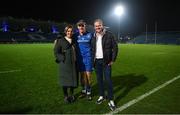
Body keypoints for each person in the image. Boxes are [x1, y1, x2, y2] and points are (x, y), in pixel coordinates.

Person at [91, 19, 118, 111]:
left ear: (102, 26)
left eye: (99, 25)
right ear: (94, 27)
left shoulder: (109, 35)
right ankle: (102, 95)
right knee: (99, 80)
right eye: (96, 26)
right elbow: (92, 49)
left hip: (106, 62)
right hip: (97, 62)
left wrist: (113, 60)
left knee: (108, 81)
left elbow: (115, 47)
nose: (97, 27)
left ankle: (111, 100)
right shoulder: (93, 36)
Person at [54, 25, 78, 103]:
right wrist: (62, 58)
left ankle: (71, 94)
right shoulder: (60, 40)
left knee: (72, 80)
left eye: (71, 31)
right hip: (64, 64)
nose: (69, 33)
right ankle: (65, 96)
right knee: (64, 81)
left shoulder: (75, 40)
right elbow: (56, 52)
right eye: (68, 31)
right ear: (65, 32)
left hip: (73, 64)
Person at [74, 20, 93, 101]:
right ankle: (83, 90)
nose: (81, 27)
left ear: (85, 26)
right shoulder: (75, 35)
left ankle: (88, 92)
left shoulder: (90, 35)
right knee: (82, 77)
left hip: (88, 58)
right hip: (80, 59)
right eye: (79, 26)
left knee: (88, 76)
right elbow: (66, 38)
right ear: (78, 27)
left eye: (82, 26)